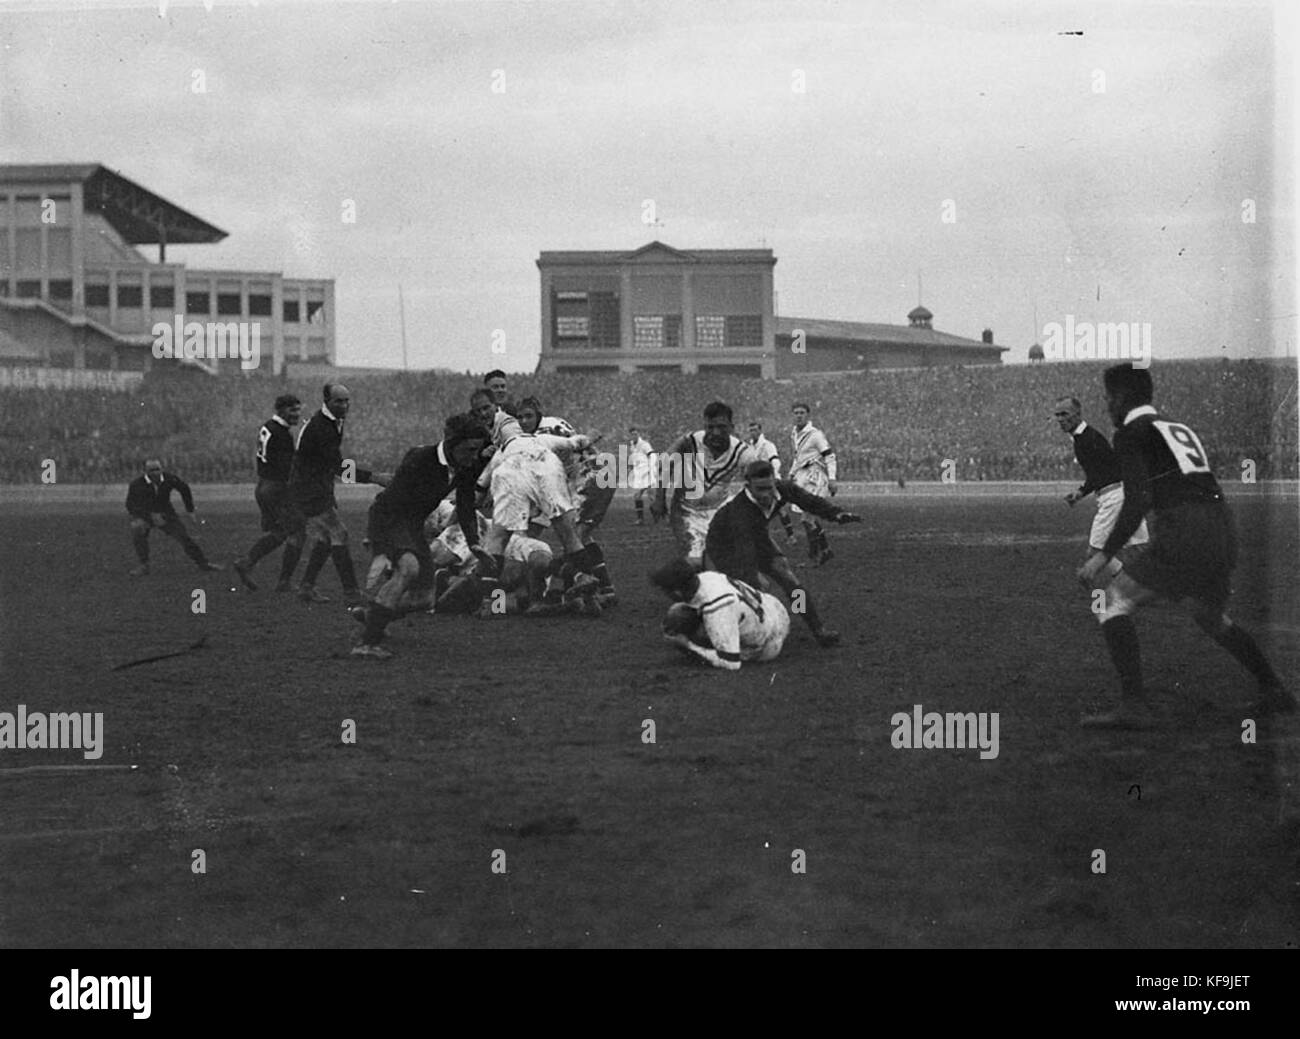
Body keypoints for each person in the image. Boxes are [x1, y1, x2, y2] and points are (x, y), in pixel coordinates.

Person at [1076, 363, 1294, 727]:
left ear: (1123, 397)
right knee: (1209, 615)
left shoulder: (1131, 433)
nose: (1108, 406)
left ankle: (1134, 706)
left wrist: (1103, 554)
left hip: (1185, 529)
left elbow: (1139, 498)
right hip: (1222, 527)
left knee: (1114, 602)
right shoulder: (1175, 426)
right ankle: (1274, 689)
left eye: (1109, 398)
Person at [350, 414, 488, 658]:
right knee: (408, 569)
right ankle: (366, 643)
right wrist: (379, 543)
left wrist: (474, 542)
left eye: (477, 451)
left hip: (412, 525)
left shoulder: (466, 464)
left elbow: (466, 504)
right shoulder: (421, 459)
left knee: (425, 599)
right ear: (452, 443)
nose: (474, 456)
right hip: (389, 518)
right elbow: (389, 502)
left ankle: (374, 616)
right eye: (470, 449)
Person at [705, 459, 860, 648]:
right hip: (723, 546)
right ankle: (725, 634)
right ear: (748, 486)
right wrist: (754, 576)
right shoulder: (740, 511)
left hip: (757, 535)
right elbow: (744, 550)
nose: (766, 494)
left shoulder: (783, 489)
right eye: (760, 489)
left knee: (788, 578)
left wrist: (836, 514)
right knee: (744, 588)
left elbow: (809, 502)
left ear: (774, 481)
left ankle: (816, 628)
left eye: (769, 487)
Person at [289, 383, 385, 607]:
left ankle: (306, 587)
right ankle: (351, 592)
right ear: (327, 401)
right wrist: (374, 477)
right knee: (339, 533)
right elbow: (339, 467)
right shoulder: (322, 428)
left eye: (347, 400)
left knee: (325, 538)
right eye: (339, 401)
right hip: (309, 489)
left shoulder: (331, 422)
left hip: (315, 487)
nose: (344, 405)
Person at [651, 401, 757, 568]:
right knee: (695, 561)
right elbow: (665, 463)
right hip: (686, 511)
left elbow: (756, 483)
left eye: (722, 427)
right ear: (704, 425)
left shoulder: (744, 453)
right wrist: (659, 498)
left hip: (719, 512)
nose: (715, 433)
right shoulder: (690, 441)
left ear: (732, 427)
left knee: (726, 562)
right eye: (710, 427)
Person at [649, 559, 790, 671]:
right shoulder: (707, 577)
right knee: (678, 612)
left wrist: (688, 645)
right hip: (773, 606)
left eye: (665, 591)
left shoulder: (717, 607)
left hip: (769, 642)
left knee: (681, 619)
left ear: (677, 591)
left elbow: (731, 663)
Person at [1053, 395, 1148, 554]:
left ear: (1077, 414)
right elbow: (1102, 470)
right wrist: (1081, 492)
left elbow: (1102, 473)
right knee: (1138, 550)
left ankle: (1122, 577)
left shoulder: (1086, 439)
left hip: (1113, 499)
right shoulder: (1085, 437)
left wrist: (1082, 491)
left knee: (1095, 552)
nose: (1060, 419)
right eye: (1057, 415)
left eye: (1064, 414)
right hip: (1124, 495)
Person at [232, 394, 307, 592]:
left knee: (280, 532)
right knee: (298, 531)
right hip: (277, 489)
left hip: (264, 486)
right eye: (292, 410)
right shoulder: (282, 434)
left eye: (298, 410)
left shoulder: (268, 427)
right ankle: (284, 581)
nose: (297, 414)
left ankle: (247, 563)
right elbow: (287, 468)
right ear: (280, 410)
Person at [126, 459, 221, 575]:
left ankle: (203, 563)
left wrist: (190, 510)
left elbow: (184, 488)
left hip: (166, 514)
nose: (156, 473)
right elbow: (130, 505)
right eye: (152, 470)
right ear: (145, 471)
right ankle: (144, 565)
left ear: (161, 469)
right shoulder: (136, 484)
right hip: (146, 515)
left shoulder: (169, 479)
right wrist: (150, 516)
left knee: (183, 536)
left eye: (158, 469)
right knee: (138, 530)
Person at [789, 403, 839, 565]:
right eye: (796, 413)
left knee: (806, 518)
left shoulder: (815, 435)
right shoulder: (794, 434)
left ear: (808, 415)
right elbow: (798, 458)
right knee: (807, 518)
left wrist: (832, 478)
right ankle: (825, 550)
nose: (799, 415)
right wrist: (791, 474)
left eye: (802, 413)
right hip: (802, 476)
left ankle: (814, 556)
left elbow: (829, 456)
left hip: (815, 477)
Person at [746, 419, 796, 542]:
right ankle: (788, 536)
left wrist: (770, 476)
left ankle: (790, 536)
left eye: (755, 430)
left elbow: (775, 461)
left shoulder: (768, 445)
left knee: (777, 508)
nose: (753, 432)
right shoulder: (750, 447)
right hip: (757, 482)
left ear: (760, 430)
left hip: (770, 481)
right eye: (751, 430)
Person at [628, 427, 656, 525]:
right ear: (630, 435)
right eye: (632, 434)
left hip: (648, 473)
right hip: (640, 475)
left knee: (652, 497)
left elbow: (652, 455)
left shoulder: (644, 445)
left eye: (636, 434)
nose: (634, 436)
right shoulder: (632, 445)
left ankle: (660, 517)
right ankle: (640, 519)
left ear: (639, 434)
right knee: (637, 496)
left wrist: (651, 469)